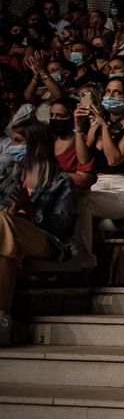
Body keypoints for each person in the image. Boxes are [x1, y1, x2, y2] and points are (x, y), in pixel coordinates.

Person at [0, 119, 80, 345]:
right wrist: (12, 210)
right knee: (5, 250)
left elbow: (62, 224)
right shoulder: (11, 179)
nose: (11, 147)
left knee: (2, 225)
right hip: (12, 236)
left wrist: (31, 208)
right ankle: (3, 319)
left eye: (17, 141)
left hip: (48, 239)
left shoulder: (61, 181)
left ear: (35, 145)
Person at [75, 74, 124, 220]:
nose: (110, 95)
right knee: (69, 197)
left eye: (117, 92)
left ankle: (81, 244)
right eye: (108, 91)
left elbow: (113, 160)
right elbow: (83, 159)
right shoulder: (96, 125)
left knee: (81, 202)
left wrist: (104, 126)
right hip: (100, 186)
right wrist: (78, 127)